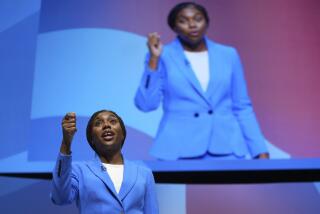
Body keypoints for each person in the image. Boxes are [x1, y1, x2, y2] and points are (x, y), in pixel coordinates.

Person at [135, 2, 269, 160]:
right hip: (178, 149)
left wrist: (259, 150)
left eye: (198, 19)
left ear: (207, 22)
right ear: (174, 27)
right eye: (183, 21)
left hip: (226, 148)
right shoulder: (162, 56)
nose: (192, 25)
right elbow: (146, 104)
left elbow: (242, 106)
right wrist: (153, 60)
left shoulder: (228, 54)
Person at [51, 110, 159, 214]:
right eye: (98, 123)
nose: (106, 125)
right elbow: (60, 198)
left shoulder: (144, 173)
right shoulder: (79, 170)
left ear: (122, 135)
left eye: (112, 121)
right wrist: (66, 142)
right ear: (91, 138)